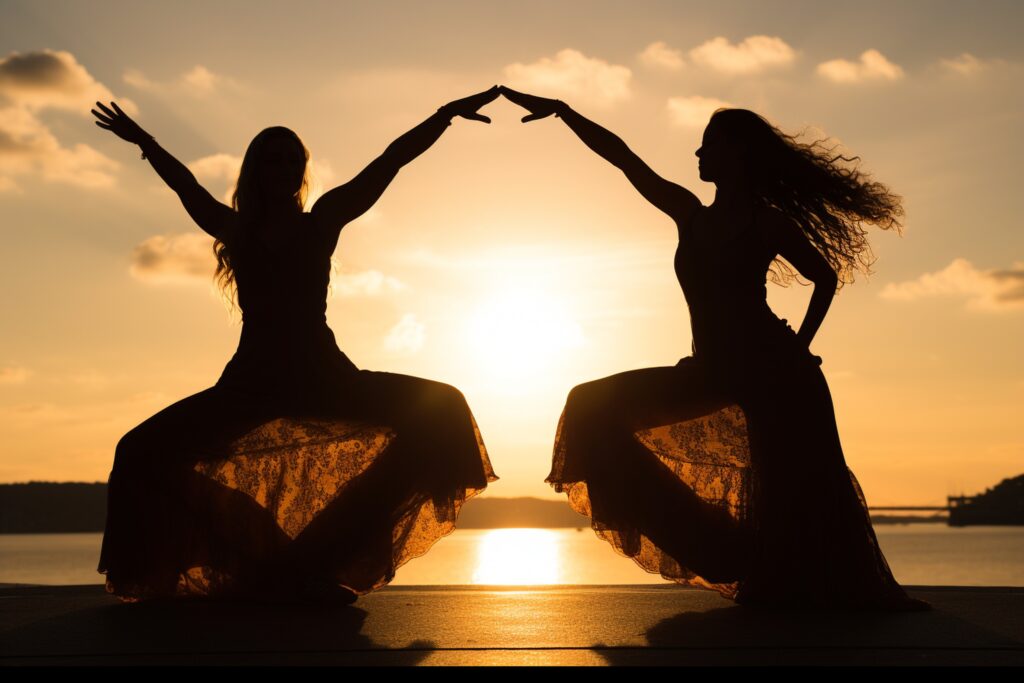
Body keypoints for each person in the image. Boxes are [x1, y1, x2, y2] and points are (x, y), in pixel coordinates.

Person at [500, 86, 929, 611]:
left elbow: (824, 277)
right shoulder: (690, 213)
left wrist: (799, 347)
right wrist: (566, 113)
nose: (698, 155)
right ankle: (721, 551)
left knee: (798, 493)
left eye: (708, 145)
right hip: (712, 370)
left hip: (776, 374)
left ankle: (792, 591)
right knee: (591, 405)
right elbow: (623, 159)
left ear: (738, 155)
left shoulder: (767, 221)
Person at [91, 89, 500, 603]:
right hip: (250, 383)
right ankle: (262, 558)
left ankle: (321, 556)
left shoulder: (323, 221)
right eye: (272, 158)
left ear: (301, 170)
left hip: (323, 375)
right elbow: (185, 185)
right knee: (138, 450)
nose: (282, 167)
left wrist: (443, 117)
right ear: (255, 169)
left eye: (292, 159)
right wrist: (144, 141)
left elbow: (388, 163)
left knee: (442, 409)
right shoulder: (235, 229)